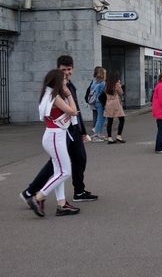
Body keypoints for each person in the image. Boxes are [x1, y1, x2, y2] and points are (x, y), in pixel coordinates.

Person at [20, 55, 98, 205]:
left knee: (79, 159)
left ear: (73, 68)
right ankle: (31, 192)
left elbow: (76, 108)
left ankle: (79, 191)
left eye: (69, 69)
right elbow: (72, 110)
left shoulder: (68, 84)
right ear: (58, 69)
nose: (67, 73)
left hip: (72, 129)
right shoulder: (59, 87)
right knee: (57, 165)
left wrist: (81, 131)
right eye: (64, 70)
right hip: (63, 130)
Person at [26, 69, 81, 217]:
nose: (66, 81)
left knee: (58, 171)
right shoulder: (55, 97)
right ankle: (38, 197)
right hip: (55, 136)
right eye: (63, 79)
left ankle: (61, 204)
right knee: (65, 172)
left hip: (55, 135)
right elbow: (74, 111)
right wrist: (69, 94)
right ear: (57, 81)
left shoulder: (49, 94)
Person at [104, 71, 126, 143]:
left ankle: (109, 138)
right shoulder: (116, 85)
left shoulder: (107, 84)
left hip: (109, 102)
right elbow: (121, 93)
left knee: (110, 121)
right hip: (116, 103)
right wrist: (119, 85)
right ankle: (119, 136)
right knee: (122, 119)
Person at [91, 67, 107, 142]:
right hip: (100, 102)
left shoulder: (94, 82)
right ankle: (96, 136)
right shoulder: (103, 83)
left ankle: (99, 133)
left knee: (103, 117)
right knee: (100, 118)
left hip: (95, 102)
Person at [87, 65, 103, 131]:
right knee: (100, 118)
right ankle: (96, 132)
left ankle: (95, 130)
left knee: (95, 117)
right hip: (98, 102)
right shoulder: (100, 83)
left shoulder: (93, 81)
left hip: (92, 101)